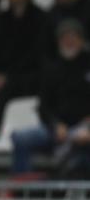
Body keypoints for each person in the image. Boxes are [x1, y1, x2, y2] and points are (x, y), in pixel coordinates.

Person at [13, 19, 90, 176]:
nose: (69, 41)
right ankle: (21, 189)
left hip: (85, 127)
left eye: (73, 37)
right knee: (20, 138)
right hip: (57, 129)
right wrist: (56, 125)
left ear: (81, 40)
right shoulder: (52, 69)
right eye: (64, 38)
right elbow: (44, 107)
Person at [0, 0, 48, 123]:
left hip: (28, 73)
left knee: (11, 85)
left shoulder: (41, 19)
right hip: (2, 72)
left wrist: (7, 76)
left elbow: (37, 54)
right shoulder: (1, 18)